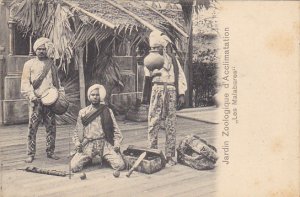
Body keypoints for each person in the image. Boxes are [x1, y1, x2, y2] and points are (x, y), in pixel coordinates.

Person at [143, 31, 187, 166]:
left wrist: (182, 93)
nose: (158, 50)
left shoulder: (173, 60)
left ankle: (169, 155)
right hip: (157, 90)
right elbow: (147, 76)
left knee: (171, 123)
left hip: (172, 91)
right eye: (155, 48)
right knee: (153, 121)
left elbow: (180, 76)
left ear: (165, 47)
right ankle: (153, 153)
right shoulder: (150, 60)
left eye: (160, 47)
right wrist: (152, 72)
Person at [21, 37, 64, 163]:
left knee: (51, 128)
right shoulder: (29, 64)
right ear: (35, 50)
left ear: (47, 50)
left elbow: (57, 83)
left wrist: (60, 95)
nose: (41, 51)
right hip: (36, 102)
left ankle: (50, 152)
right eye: (39, 49)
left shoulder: (52, 65)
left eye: (43, 49)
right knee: (32, 128)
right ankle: (30, 154)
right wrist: (31, 96)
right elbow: (25, 83)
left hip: (50, 102)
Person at [70, 84, 125, 173]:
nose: (95, 97)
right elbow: (77, 131)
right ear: (89, 96)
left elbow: (116, 130)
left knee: (120, 165)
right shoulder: (83, 112)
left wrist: (117, 144)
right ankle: (88, 159)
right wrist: (77, 144)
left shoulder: (107, 111)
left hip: (104, 143)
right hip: (88, 144)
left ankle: (105, 158)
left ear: (101, 96)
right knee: (74, 167)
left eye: (97, 95)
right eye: (93, 95)